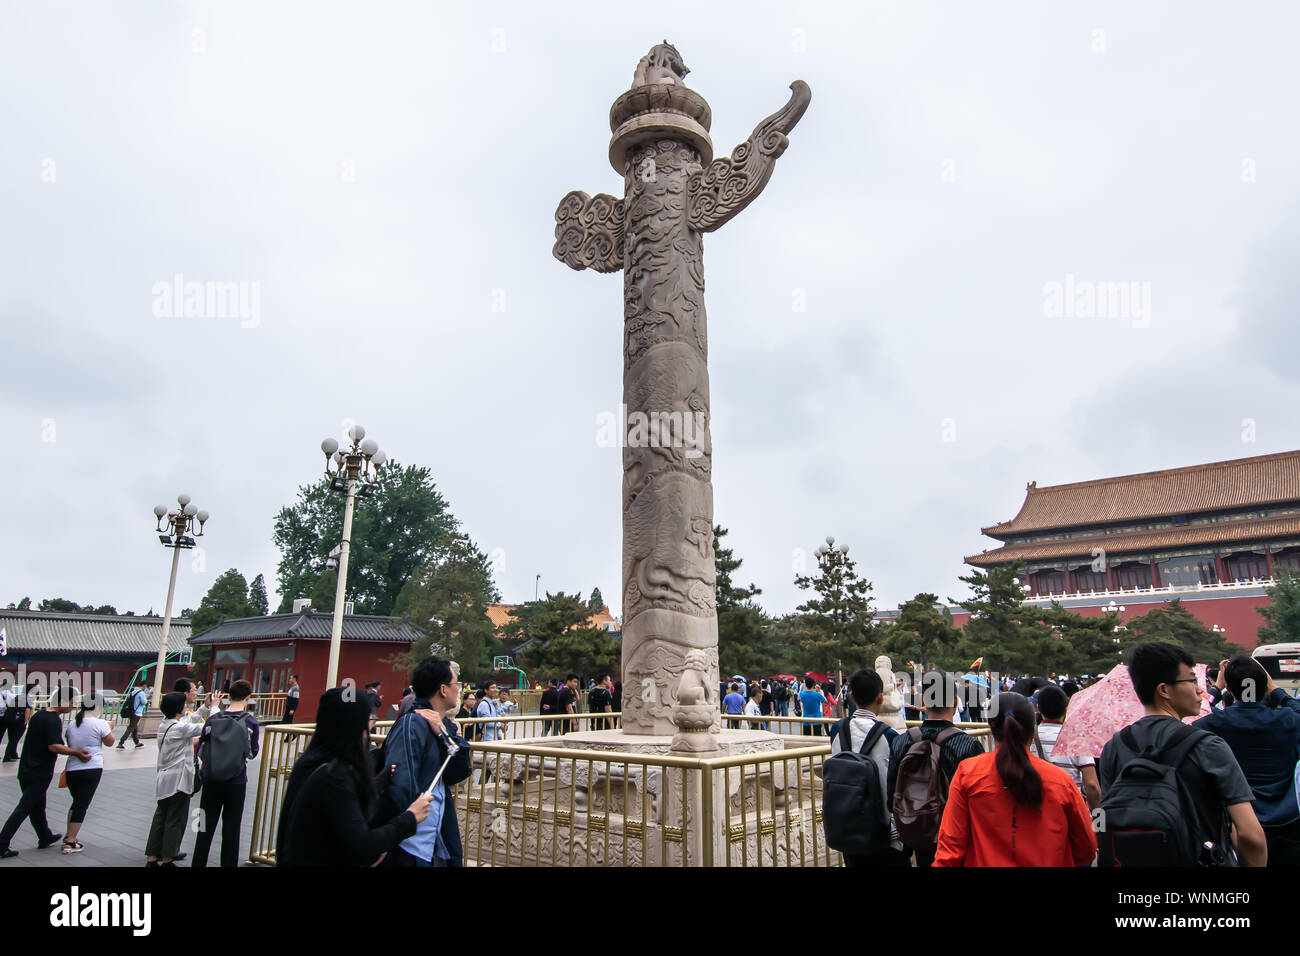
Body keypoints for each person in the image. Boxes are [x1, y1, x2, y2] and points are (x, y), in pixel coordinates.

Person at [1098, 642, 1266, 867]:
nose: (1200, 690)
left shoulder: (1114, 746)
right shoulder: (1208, 746)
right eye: (1192, 680)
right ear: (1164, 690)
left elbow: (1106, 818)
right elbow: (1251, 836)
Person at [934, 693, 1097, 867]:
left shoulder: (968, 773)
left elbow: (950, 850)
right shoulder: (1061, 781)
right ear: (1032, 731)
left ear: (992, 729)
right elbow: (1086, 848)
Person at [277, 687, 432, 867]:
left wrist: (380, 780)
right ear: (354, 724)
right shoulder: (333, 774)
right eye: (368, 719)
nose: (371, 726)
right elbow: (362, 844)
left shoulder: (317, 763)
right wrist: (410, 818)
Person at [1194, 655, 1300, 866]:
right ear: (1265, 686)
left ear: (1230, 691)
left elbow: (1196, 715)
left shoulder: (1214, 724)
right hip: (1289, 821)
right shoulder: (1288, 720)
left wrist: (1216, 687)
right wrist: (1274, 688)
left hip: (1239, 824)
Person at [381, 657, 472, 867]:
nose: (459, 689)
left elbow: (460, 768)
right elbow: (399, 785)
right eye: (456, 684)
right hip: (409, 846)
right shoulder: (411, 724)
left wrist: (442, 732)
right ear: (443, 689)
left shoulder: (440, 724)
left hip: (433, 843)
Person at [887, 673, 985, 867]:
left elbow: (891, 795)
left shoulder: (901, 742)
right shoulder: (968, 746)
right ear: (955, 701)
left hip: (915, 831)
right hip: (957, 839)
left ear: (924, 700)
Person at [0, 687, 90, 859]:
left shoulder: (39, 715)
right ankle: (2, 843)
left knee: (37, 806)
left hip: (26, 770)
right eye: (71, 703)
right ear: (63, 701)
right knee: (24, 808)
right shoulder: (53, 720)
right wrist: (76, 752)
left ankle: (44, 836)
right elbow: (53, 746)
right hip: (39, 772)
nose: (72, 707)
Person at [827, 669, 904, 866]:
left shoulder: (837, 730)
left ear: (851, 697)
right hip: (880, 830)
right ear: (880, 698)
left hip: (847, 825)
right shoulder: (890, 736)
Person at [192, 679, 260, 867]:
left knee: (204, 826)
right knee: (232, 828)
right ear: (249, 697)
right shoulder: (251, 722)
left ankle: (198, 863)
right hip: (236, 782)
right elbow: (252, 753)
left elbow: (202, 745)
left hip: (211, 780)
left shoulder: (214, 720)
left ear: (228, 696)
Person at [145, 690, 213, 867]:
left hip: (165, 780)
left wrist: (204, 707)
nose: (186, 706)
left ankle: (152, 858)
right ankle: (168, 858)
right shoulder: (179, 728)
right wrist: (213, 709)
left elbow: (190, 721)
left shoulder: (165, 725)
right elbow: (206, 727)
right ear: (178, 708)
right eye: (184, 704)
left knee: (160, 818)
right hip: (178, 781)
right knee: (175, 819)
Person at [60, 692, 116, 853]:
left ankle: (69, 835)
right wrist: (109, 728)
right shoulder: (100, 723)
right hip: (91, 768)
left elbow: (71, 742)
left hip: (72, 769)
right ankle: (70, 842)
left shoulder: (72, 724)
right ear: (98, 706)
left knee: (76, 803)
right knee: (81, 805)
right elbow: (110, 742)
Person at [1033, 685, 1102, 810]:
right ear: (1066, 710)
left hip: (1039, 812)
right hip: (1071, 810)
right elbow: (1092, 786)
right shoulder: (1077, 738)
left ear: (1038, 709)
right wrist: (1099, 824)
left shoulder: (1029, 737)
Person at [1, 680, 36, 762]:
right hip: (19, 721)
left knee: (12, 738)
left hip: (10, 719)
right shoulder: (29, 697)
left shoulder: (18, 696)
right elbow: (27, 710)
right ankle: (7, 756)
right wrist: (26, 721)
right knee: (15, 739)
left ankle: (13, 754)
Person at [117, 684, 147, 749]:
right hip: (137, 712)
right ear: (144, 686)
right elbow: (144, 702)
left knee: (134, 728)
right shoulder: (141, 693)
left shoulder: (133, 692)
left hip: (131, 712)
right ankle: (120, 743)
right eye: (145, 687)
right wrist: (146, 698)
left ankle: (137, 743)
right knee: (131, 728)